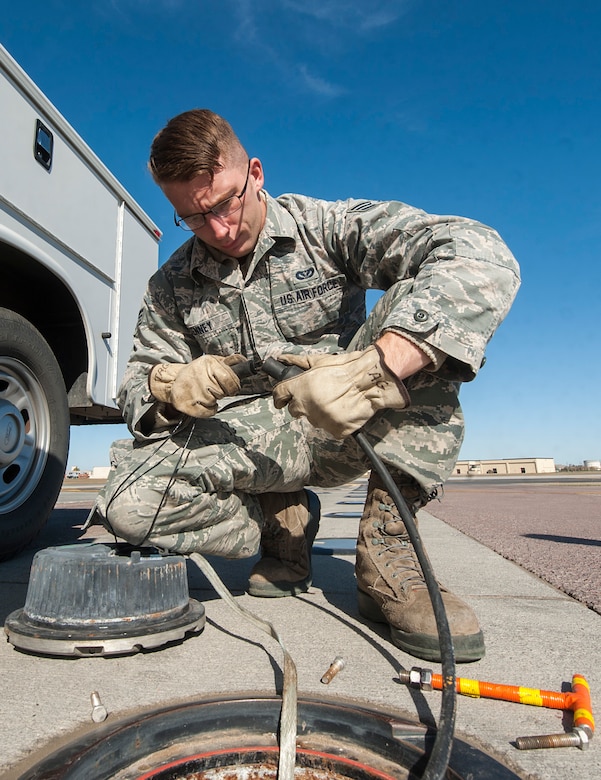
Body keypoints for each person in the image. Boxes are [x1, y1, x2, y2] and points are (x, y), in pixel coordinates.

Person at [94, 109, 520, 664]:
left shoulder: (326, 227)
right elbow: (132, 383)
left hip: (347, 422)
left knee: (418, 317)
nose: (218, 230)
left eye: (225, 202)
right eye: (194, 218)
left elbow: (479, 252)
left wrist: (377, 367)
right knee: (128, 501)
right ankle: (280, 526)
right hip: (256, 447)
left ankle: (388, 559)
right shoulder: (171, 285)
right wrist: (166, 385)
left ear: (255, 173)